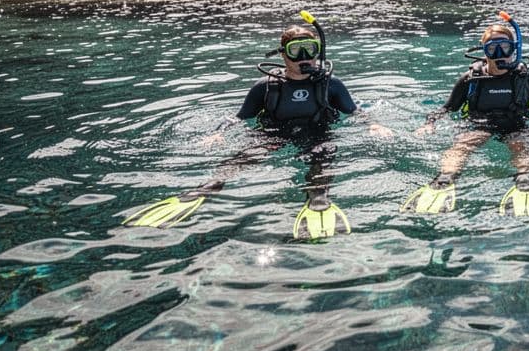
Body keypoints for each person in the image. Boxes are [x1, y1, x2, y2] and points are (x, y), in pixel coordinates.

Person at [123, 12, 391, 239]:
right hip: (274, 133)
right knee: (246, 157)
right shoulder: (265, 87)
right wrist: (219, 133)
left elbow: (354, 111)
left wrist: (373, 125)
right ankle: (203, 190)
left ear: (318, 52)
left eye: (310, 50)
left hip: (318, 133)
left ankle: (318, 201)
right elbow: (239, 117)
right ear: (283, 56)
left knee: (321, 161)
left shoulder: (330, 84)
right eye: (295, 52)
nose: (304, 58)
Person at [403, 12, 529, 218]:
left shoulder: (525, 78)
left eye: (505, 47)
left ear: (514, 50)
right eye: (492, 49)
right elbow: (447, 108)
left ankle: (524, 180)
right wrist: (429, 123)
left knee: (520, 144)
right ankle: (444, 180)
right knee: (464, 143)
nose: (499, 54)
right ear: (484, 52)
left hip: (516, 125)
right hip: (479, 125)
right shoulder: (471, 79)